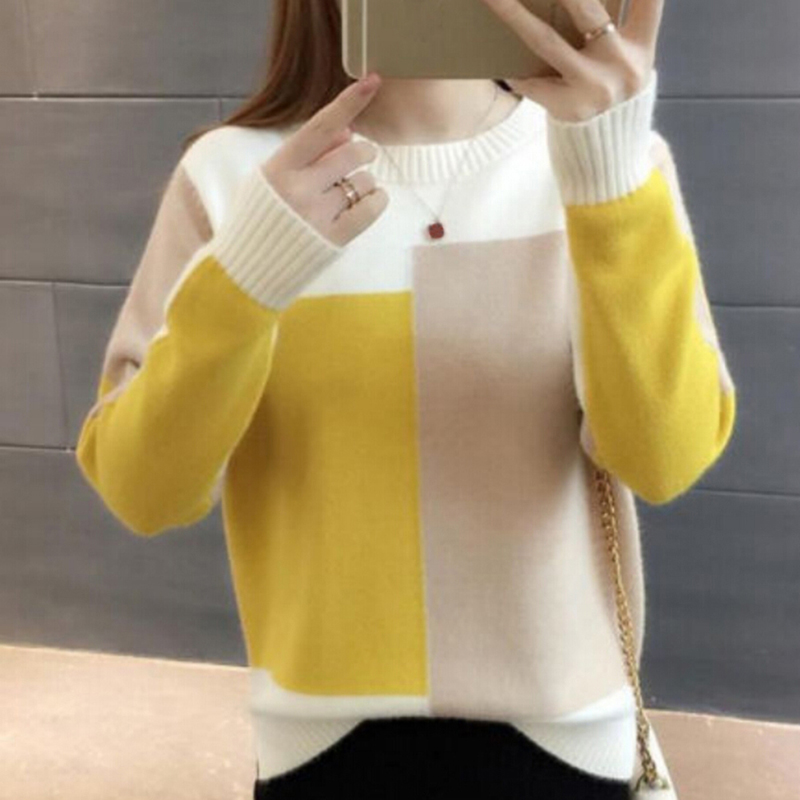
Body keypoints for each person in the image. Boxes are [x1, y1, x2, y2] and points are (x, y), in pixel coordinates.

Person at [74, 1, 736, 798]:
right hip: (319, 746)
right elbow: (143, 490)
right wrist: (246, 275)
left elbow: (665, 460)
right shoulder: (235, 176)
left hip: (567, 738)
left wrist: (609, 176)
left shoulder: (606, 158)